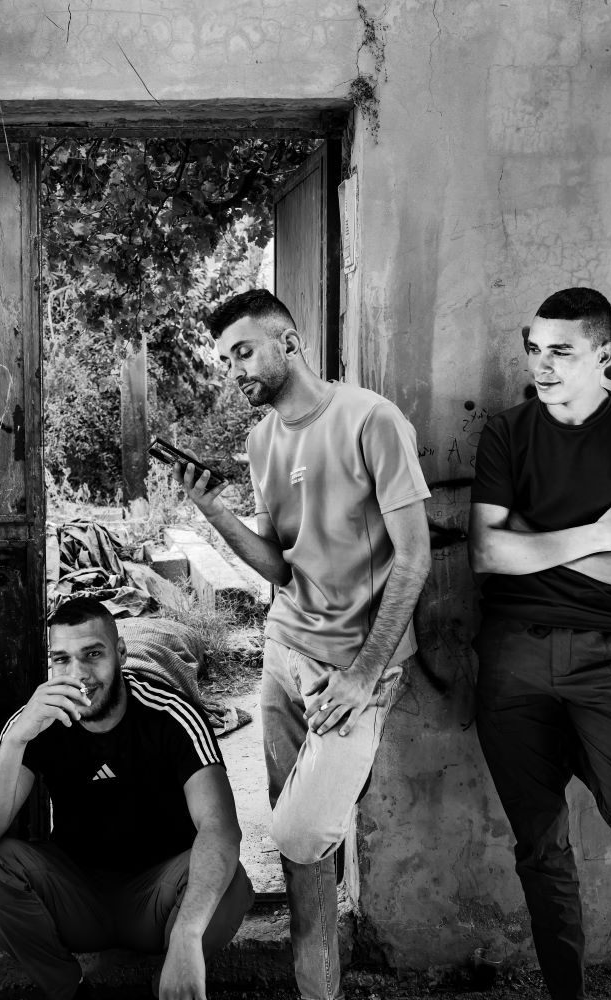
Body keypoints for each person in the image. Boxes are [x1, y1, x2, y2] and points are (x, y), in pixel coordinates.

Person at [173, 289, 432, 1000]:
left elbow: (413, 557)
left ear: (289, 342)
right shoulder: (262, 441)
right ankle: (317, 991)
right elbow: (276, 566)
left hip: (354, 666)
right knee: (304, 867)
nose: (234, 369)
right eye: (225, 359)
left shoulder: (370, 420)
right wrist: (210, 508)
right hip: (283, 654)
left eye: (244, 351)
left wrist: (364, 674)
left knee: (295, 833)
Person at [467, 287, 611, 1000]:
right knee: (541, 846)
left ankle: (594, 744)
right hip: (511, 658)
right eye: (533, 349)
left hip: (604, 656)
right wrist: (595, 535)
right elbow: (485, 556)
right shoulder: (505, 432)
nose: (543, 364)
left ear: (604, 354)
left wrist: (535, 545)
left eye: (561, 350)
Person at [0, 597, 253, 1000]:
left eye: (92, 654)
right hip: (76, 896)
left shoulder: (170, 715)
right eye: (61, 659)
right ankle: (69, 991)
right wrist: (16, 740)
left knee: (229, 880)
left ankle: (170, 984)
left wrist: (186, 933)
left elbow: (220, 827)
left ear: (121, 654)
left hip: (159, 899)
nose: (78, 674)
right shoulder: (38, 720)